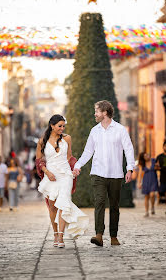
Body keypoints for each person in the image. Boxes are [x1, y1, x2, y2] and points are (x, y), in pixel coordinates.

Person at [73, 100, 135, 247]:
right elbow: (88, 151)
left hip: (115, 174)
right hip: (98, 173)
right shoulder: (94, 131)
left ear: (105, 113)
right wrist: (78, 165)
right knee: (99, 202)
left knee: (114, 205)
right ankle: (99, 235)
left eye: (97, 111)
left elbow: (129, 149)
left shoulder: (120, 130)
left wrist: (130, 169)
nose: (95, 114)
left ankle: (114, 236)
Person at [36, 114, 89, 248]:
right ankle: (55, 233)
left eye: (63, 126)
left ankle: (61, 236)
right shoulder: (42, 141)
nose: (62, 128)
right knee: (52, 206)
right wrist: (47, 172)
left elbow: (69, 156)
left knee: (63, 204)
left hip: (65, 175)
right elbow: (39, 161)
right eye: (60, 126)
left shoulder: (67, 138)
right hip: (51, 175)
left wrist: (75, 167)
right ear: (52, 126)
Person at [138, 152, 158, 217]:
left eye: (147, 155)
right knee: (146, 197)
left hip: (153, 180)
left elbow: (158, 167)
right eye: (145, 156)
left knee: (152, 195)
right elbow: (140, 174)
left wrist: (157, 167)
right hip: (146, 181)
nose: (147, 156)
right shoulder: (142, 164)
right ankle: (146, 212)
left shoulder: (154, 160)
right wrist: (139, 183)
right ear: (143, 158)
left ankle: (152, 207)